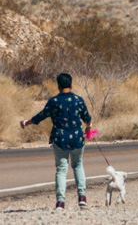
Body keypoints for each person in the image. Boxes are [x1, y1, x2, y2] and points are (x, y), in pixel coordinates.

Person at [20, 72, 94, 210]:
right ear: (71, 84)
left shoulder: (54, 102)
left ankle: (60, 202)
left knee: (61, 170)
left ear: (58, 86)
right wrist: (89, 126)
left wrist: (26, 122)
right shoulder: (79, 100)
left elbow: (40, 117)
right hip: (77, 138)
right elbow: (87, 117)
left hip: (60, 139)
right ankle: (82, 198)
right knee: (78, 166)